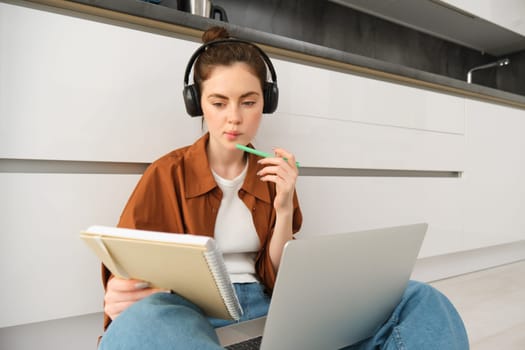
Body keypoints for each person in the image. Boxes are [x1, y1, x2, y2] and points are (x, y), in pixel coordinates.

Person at [98, 26, 469, 349]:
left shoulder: (273, 174)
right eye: (218, 102)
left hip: (271, 308)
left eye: (249, 102)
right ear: (198, 105)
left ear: (266, 102)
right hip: (192, 314)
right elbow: (129, 262)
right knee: (141, 325)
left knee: (417, 299)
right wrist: (122, 290)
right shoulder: (167, 172)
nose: (234, 117)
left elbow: (282, 277)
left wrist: (285, 205)